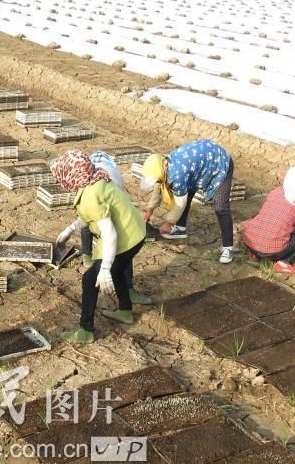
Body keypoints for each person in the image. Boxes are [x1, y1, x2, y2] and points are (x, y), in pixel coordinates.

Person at [51, 150, 147, 344]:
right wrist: (71, 228)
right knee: (118, 270)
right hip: (136, 232)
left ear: (72, 174)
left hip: (124, 239)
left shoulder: (90, 195)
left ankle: (85, 331)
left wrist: (103, 268)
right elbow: (95, 213)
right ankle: (125, 311)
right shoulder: (95, 177)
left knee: (89, 280)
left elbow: (110, 233)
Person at [140, 140, 236, 264]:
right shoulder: (164, 166)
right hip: (200, 166)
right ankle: (180, 229)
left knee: (220, 207)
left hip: (220, 164)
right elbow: (159, 186)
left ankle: (228, 248)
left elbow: (180, 203)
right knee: (187, 191)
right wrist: (149, 209)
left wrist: (169, 223)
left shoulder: (177, 174)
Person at [78, 150, 152, 305]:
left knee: (122, 249)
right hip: (101, 214)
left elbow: (112, 227)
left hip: (119, 223)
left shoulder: (112, 180)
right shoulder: (85, 181)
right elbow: (86, 217)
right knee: (87, 227)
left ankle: (128, 288)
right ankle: (87, 256)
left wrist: (105, 267)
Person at [241, 167, 295, 275]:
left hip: (250, 243)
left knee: (270, 221)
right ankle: (282, 264)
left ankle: (254, 255)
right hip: (272, 252)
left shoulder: (276, 192)